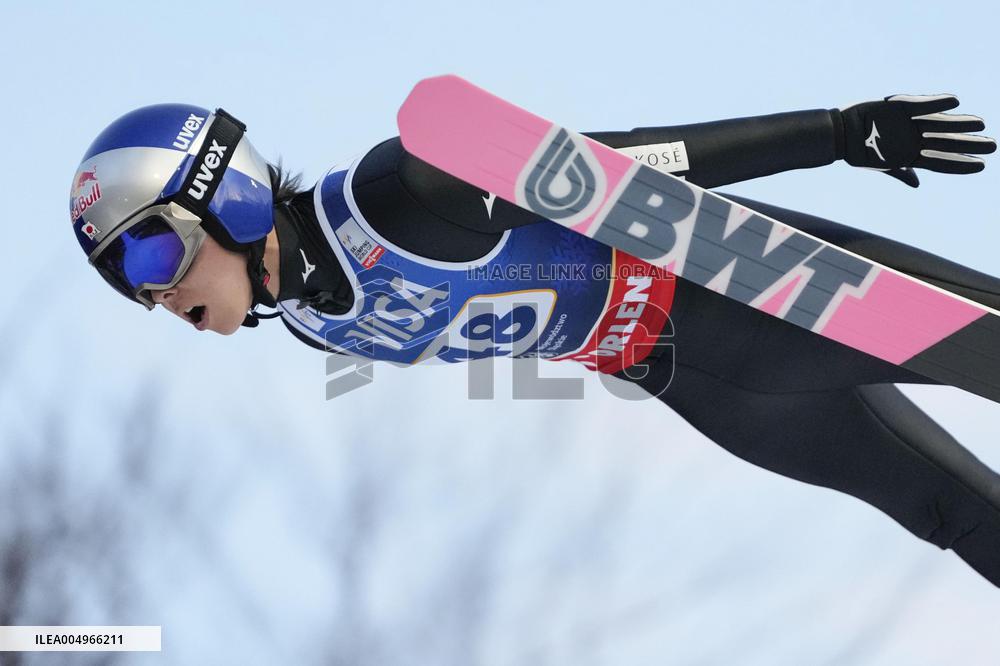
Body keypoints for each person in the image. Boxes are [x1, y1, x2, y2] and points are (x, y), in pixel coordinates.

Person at [70, 93, 1000, 585]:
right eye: (126, 283)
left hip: (734, 291)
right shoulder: (316, 321)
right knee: (955, 516)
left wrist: (839, 133)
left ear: (223, 194)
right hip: (702, 382)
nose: (155, 294)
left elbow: (625, 161)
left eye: (150, 253)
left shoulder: (402, 193)